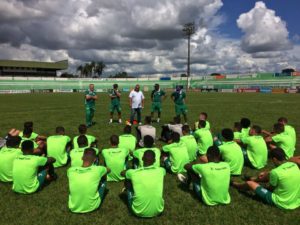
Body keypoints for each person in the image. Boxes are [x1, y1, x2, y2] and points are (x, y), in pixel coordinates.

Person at [232, 148, 300, 210]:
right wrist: (266, 173)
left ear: (274, 159)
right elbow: (276, 172)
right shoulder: (294, 165)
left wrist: (261, 189)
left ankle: (235, 184)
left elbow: (271, 189)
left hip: (282, 202)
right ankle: (253, 179)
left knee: (250, 183)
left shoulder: (275, 172)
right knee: (271, 175)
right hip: (295, 200)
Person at [122, 150, 166, 217]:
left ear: (142, 158)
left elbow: (122, 173)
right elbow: (163, 172)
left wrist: (127, 171)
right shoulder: (161, 171)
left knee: (128, 179)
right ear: (154, 160)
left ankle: (128, 192)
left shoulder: (133, 173)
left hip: (138, 211)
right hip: (158, 211)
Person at [68, 148, 110, 213]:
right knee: (103, 175)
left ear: (82, 158)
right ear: (95, 159)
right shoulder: (98, 169)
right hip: (92, 207)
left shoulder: (70, 170)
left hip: (73, 207)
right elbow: (108, 170)